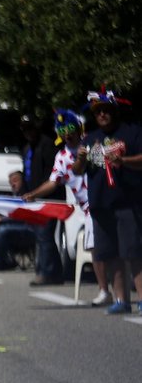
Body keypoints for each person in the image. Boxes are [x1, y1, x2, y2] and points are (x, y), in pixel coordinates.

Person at [22, 109, 111, 305]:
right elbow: (53, 182)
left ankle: (120, 292)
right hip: (87, 209)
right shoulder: (61, 157)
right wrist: (34, 194)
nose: (67, 134)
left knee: (117, 249)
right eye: (63, 131)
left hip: (105, 203)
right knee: (94, 247)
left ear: (79, 129)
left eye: (71, 129)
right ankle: (105, 291)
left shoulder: (92, 146)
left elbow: (105, 172)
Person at [73, 88, 142, 314]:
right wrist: (81, 160)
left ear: (114, 111)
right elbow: (77, 170)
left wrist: (123, 160)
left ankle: (141, 299)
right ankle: (121, 300)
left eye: (105, 110)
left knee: (133, 253)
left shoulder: (131, 133)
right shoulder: (90, 138)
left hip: (127, 203)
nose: (102, 115)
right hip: (101, 205)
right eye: (98, 112)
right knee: (110, 255)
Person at [20, 114, 62, 285]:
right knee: (41, 237)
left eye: (30, 128)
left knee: (45, 236)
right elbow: (26, 174)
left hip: (48, 198)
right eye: (24, 129)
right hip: (33, 199)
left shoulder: (47, 146)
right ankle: (55, 272)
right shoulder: (27, 149)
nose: (28, 132)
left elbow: (50, 177)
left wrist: (36, 193)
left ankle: (46, 273)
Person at [0, 170, 36, 271]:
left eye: (15, 181)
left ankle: (2, 261)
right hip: (14, 224)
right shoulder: (13, 196)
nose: (13, 185)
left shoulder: (28, 195)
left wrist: (1, 219)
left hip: (29, 226)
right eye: (11, 183)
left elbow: (22, 215)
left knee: (3, 230)